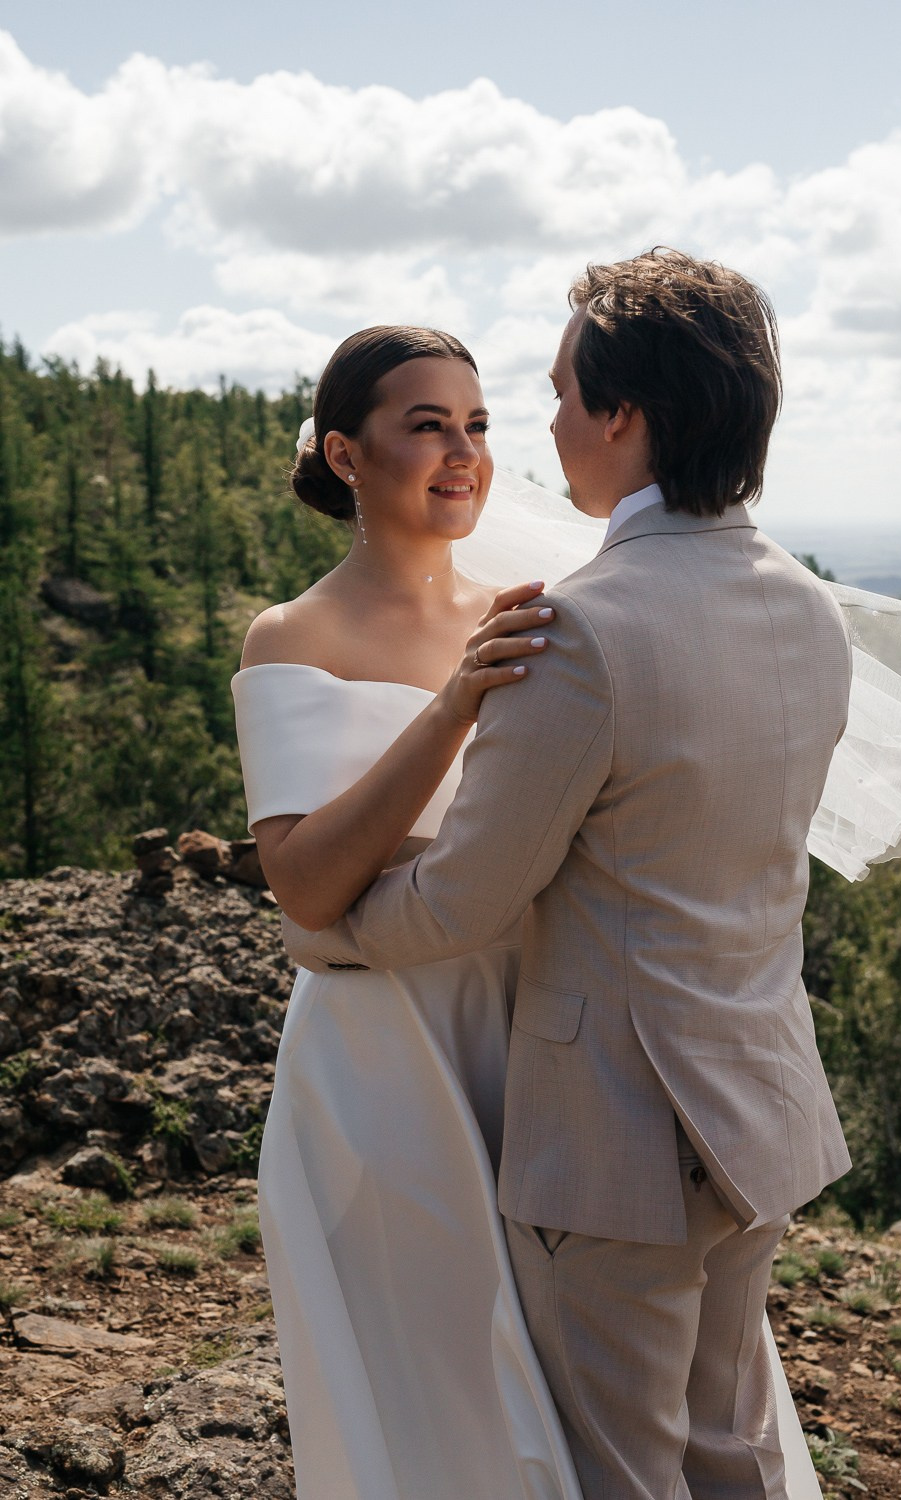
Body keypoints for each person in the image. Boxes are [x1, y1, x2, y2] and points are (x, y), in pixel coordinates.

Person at [282, 249, 852, 1500]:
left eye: (552, 394)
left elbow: (466, 898)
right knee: (732, 1450)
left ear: (622, 415)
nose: (538, 427)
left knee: (619, 1471)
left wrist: (331, 936)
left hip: (616, 1138)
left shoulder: (582, 627)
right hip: (755, 1104)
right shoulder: (810, 612)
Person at [232, 325, 586, 1500]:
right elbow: (306, 886)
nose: (463, 453)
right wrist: (447, 709)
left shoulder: (540, 610)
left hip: (534, 1037)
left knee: (573, 1383)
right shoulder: (294, 635)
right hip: (378, 1064)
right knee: (423, 1396)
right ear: (345, 453)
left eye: (477, 425)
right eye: (425, 424)